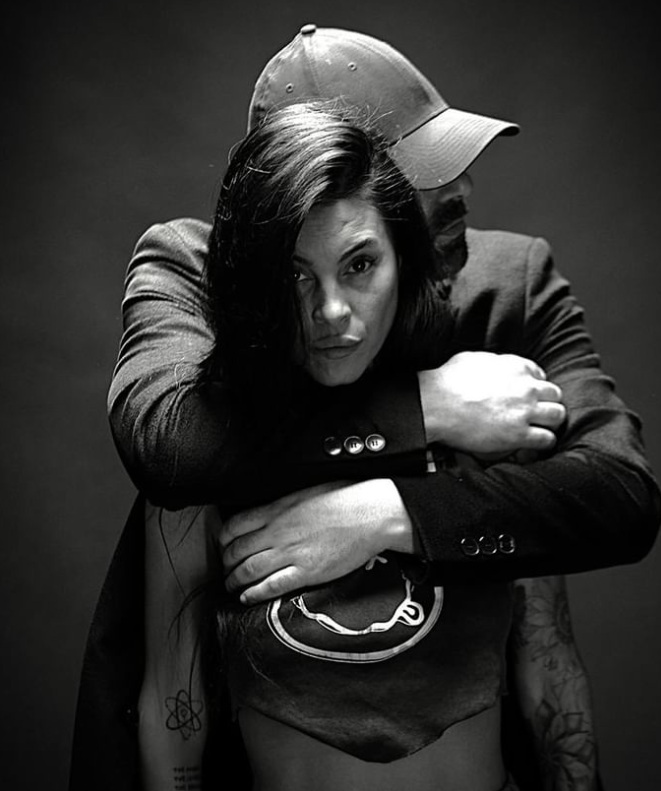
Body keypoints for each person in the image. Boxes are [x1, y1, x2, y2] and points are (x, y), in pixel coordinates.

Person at [69, 25, 660, 791]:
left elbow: (619, 501)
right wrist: (427, 407)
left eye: (361, 264)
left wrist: (387, 512)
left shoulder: (508, 284)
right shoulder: (193, 273)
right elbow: (169, 449)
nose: (462, 189)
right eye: (426, 169)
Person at [138, 100, 581, 791]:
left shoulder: (484, 427)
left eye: (360, 264)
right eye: (295, 274)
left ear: (403, 260)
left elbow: (548, 667)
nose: (332, 312)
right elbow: (174, 709)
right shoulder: (207, 460)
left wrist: (388, 509)